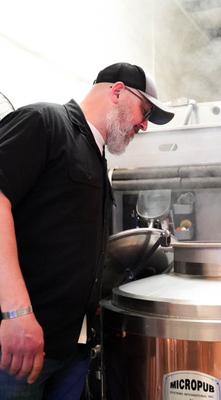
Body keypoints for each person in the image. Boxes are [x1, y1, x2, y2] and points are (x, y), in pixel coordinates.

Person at [0, 62, 174, 399]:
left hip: (70, 347)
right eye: (145, 110)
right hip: (19, 347)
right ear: (117, 91)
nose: (145, 125)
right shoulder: (44, 122)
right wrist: (16, 313)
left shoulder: (97, 155)